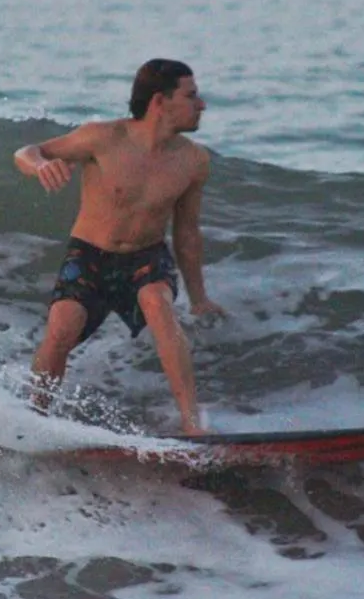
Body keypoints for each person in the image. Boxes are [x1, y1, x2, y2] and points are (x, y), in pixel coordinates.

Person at [13, 59, 224, 433]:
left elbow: (187, 233)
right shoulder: (104, 138)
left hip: (146, 257)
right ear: (160, 101)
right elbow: (28, 152)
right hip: (90, 255)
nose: (202, 104)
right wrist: (41, 166)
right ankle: (33, 420)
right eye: (191, 96)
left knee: (157, 304)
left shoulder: (193, 161)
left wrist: (199, 297)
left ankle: (194, 427)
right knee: (63, 326)